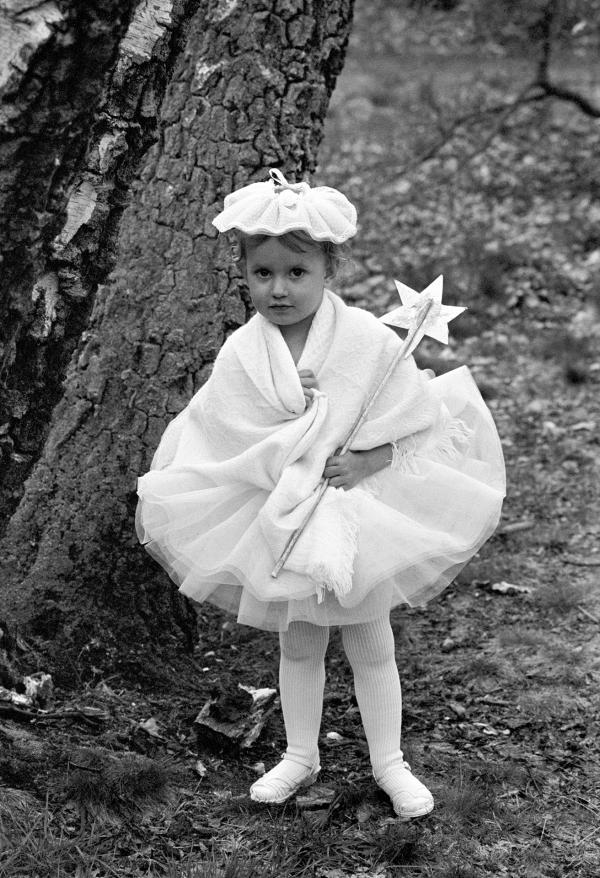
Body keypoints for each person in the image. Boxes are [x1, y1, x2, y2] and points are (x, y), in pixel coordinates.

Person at [136, 168, 505, 820]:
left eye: (296, 273)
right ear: (244, 274)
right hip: (283, 512)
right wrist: (281, 456)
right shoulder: (244, 353)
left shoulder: (365, 339)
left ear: (328, 269)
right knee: (298, 641)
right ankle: (300, 756)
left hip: (359, 512)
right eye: (262, 274)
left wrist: (368, 457)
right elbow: (222, 428)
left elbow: (417, 418)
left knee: (370, 641)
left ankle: (389, 763)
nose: (278, 289)